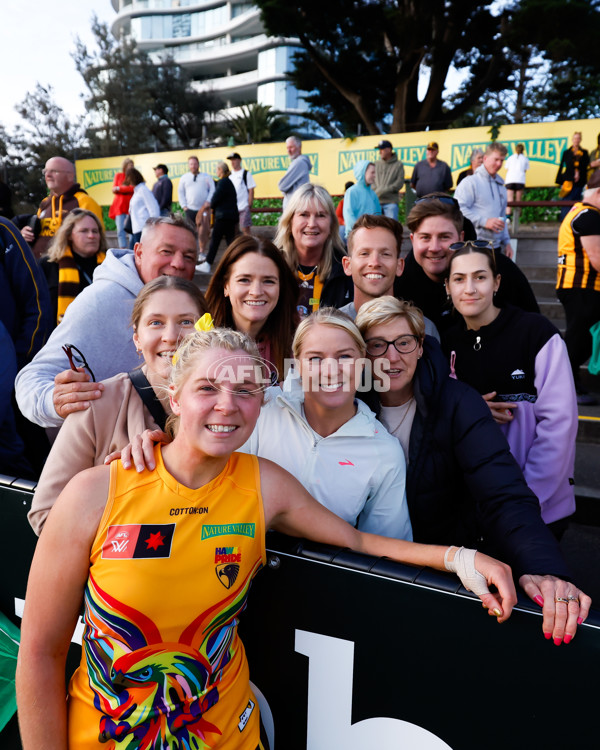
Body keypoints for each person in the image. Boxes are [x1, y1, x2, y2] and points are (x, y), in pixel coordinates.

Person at [17, 326, 517, 750]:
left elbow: (361, 542)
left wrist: (464, 559)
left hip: (227, 733)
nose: (227, 407)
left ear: (263, 403)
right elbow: (42, 653)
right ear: (175, 396)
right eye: (207, 388)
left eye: (245, 391)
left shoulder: (263, 483)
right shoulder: (96, 491)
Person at [355, 295, 591, 644]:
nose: (392, 357)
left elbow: (503, 492)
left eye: (404, 342)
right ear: (362, 353)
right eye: (377, 345)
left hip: (446, 569)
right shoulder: (348, 402)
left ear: (421, 347)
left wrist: (543, 568)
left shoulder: (457, 402)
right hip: (365, 564)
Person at [28, 276, 208, 535]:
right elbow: (46, 515)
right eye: (156, 322)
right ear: (137, 338)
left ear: (205, 330)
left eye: (186, 322)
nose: (171, 336)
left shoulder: (226, 407)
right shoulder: (97, 407)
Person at [443, 242, 578, 538]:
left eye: (480, 277)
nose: (470, 288)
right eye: (459, 279)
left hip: (537, 509)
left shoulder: (536, 333)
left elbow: (559, 425)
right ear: (447, 287)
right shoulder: (447, 343)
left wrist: (524, 503)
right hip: (474, 508)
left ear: (497, 283)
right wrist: (470, 410)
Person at [15, 215, 199, 429]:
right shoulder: (100, 300)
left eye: (188, 257)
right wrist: (53, 401)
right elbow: (32, 377)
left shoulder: (191, 306)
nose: (178, 264)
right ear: (139, 252)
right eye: (166, 252)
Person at [393, 194, 539, 332]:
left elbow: (535, 330)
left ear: (461, 237)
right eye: (425, 237)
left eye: (444, 237)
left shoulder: (499, 269)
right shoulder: (398, 283)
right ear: (413, 240)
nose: (434, 248)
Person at [205, 235, 298, 380]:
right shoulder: (199, 341)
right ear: (226, 286)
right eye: (244, 280)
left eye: (268, 281)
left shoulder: (300, 343)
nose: (256, 292)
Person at [338, 213, 439, 339]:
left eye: (385, 254)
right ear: (347, 265)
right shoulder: (330, 328)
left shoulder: (423, 330)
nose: (374, 263)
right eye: (364, 253)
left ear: (399, 266)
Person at [556, 169, 600, 405]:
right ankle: (567, 387)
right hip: (582, 287)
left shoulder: (579, 211)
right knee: (579, 340)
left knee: (580, 339)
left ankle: (569, 385)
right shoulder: (590, 216)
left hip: (577, 287)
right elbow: (597, 257)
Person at [276, 183, 352, 317]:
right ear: (290, 221)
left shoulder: (346, 269)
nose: (312, 224)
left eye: (321, 215)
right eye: (304, 214)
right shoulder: (272, 264)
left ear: (331, 224)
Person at [20, 157, 104, 259]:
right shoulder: (45, 202)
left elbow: (95, 241)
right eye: (45, 171)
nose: (48, 175)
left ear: (70, 176)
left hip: (68, 269)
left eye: (54, 171)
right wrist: (26, 234)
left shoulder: (84, 201)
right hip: (40, 267)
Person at [39, 209, 108, 328]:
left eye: (95, 231)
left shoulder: (110, 266)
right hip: (59, 337)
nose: (91, 236)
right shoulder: (48, 265)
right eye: (84, 231)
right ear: (69, 235)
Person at [454, 142, 514, 259]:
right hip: (474, 246)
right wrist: (484, 221)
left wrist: (507, 242)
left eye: (502, 160)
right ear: (485, 158)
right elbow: (458, 209)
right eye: (496, 159)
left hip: (496, 248)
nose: (499, 164)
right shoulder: (470, 182)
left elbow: (502, 216)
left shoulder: (501, 187)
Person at [197, 161, 239, 274]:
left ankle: (208, 263)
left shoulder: (223, 182)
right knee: (230, 241)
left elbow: (215, 199)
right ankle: (237, 262)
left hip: (223, 217)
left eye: (217, 169)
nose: (216, 171)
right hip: (230, 216)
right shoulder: (227, 182)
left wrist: (211, 204)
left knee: (215, 240)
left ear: (221, 170)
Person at [178, 156, 215, 260]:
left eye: (195, 164)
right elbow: (180, 192)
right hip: (189, 209)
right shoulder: (184, 178)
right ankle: (190, 253)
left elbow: (212, 189)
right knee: (189, 232)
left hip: (203, 209)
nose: (193, 166)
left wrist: (208, 201)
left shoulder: (206, 177)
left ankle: (202, 252)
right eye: (191, 164)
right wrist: (184, 206)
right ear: (188, 165)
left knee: (203, 232)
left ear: (198, 165)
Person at [556, 131, 590, 220]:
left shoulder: (584, 153)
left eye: (578, 138)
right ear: (572, 139)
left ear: (580, 140)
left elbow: (586, 166)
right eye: (575, 138)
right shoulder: (567, 152)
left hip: (580, 182)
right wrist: (559, 179)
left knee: (577, 202)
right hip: (568, 181)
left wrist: (579, 173)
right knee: (566, 202)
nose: (576, 140)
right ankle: (564, 220)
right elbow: (562, 166)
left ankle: (575, 221)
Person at [124, 167, 161, 247]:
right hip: (137, 229)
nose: (127, 180)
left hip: (143, 228)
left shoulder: (143, 190)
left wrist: (152, 226)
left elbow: (154, 208)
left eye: (128, 177)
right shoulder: (137, 191)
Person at [342, 160, 381, 234]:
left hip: (372, 234)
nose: (375, 175)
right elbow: (349, 214)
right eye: (372, 172)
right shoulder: (352, 192)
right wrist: (357, 232)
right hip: (356, 236)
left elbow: (378, 215)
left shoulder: (373, 194)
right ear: (362, 173)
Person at [373, 140, 405, 221]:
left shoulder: (398, 164)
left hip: (391, 202)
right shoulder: (376, 164)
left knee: (391, 227)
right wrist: (376, 190)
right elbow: (371, 180)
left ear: (389, 150)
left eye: (382, 149)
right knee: (374, 227)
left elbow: (399, 183)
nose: (380, 152)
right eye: (379, 150)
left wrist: (383, 190)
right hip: (376, 202)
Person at [278, 136, 312, 208]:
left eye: (291, 147)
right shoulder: (301, 162)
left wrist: (285, 191)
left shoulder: (299, 162)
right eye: (287, 148)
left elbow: (282, 186)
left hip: (295, 207)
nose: (289, 150)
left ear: (299, 147)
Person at [227, 152, 257, 236]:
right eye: (231, 160)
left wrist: (249, 204)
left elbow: (251, 189)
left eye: (234, 160)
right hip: (232, 208)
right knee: (234, 229)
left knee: (245, 229)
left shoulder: (246, 173)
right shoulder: (229, 175)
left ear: (239, 160)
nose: (232, 162)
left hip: (243, 206)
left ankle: (249, 245)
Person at [109, 158, 134, 249]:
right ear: (125, 166)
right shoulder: (118, 176)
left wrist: (120, 188)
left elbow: (132, 188)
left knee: (131, 230)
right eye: (129, 165)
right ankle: (122, 249)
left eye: (132, 166)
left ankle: (132, 248)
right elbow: (113, 189)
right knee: (120, 230)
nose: (131, 167)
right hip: (119, 207)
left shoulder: (133, 177)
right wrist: (124, 188)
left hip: (130, 207)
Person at [504, 144, 530, 219]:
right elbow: (525, 170)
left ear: (515, 149)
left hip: (510, 180)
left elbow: (507, 168)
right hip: (520, 180)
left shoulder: (510, 158)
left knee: (509, 199)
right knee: (518, 200)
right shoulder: (525, 159)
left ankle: (508, 216)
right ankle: (517, 217)